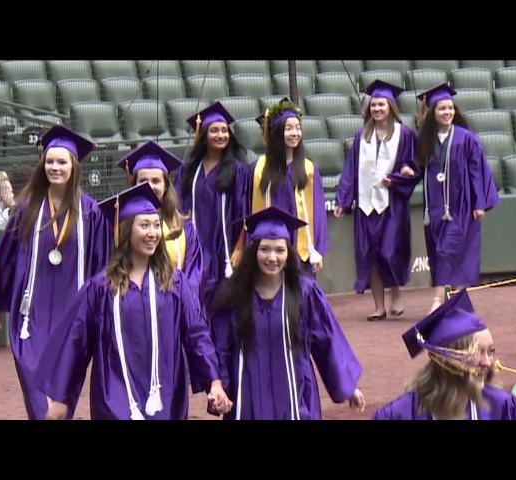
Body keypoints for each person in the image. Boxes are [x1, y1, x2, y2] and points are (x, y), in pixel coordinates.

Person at [36, 182, 233, 420]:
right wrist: (61, 399)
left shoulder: (173, 283)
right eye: (144, 225)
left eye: (156, 225)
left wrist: (214, 381)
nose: (152, 233)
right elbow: (75, 342)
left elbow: (196, 333)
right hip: (115, 399)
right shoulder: (100, 288)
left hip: (166, 397)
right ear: (126, 229)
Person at [0, 125, 111, 420]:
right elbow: (6, 257)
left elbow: (102, 264)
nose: (55, 167)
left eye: (62, 162)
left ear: (74, 167)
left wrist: (104, 309)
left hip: (72, 313)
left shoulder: (90, 212)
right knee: (33, 376)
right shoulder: (28, 207)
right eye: (50, 161)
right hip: (31, 315)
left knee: (65, 383)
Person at [211, 206, 365, 420]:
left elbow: (327, 340)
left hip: (295, 394)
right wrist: (219, 386)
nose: (272, 257)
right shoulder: (235, 295)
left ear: (288, 253)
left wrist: (348, 387)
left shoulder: (305, 292)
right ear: (253, 251)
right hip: (248, 398)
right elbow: (222, 348)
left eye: (279, 250)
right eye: (265, 249)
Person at [334, 80, 419, 321]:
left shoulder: (404, 134)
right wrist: (342, 200)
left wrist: (401, 175)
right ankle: (379, 306)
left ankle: (396, 296)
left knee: (389, 251)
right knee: (370, 254)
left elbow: (412, 164)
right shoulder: (361, 136)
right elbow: (350, 170)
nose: (377, 109)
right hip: (365, 205)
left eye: (381, 104)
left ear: (391, 106)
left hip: (392, 204)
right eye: (374, 105)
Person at [415, 83, 499, 313]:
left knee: (447, 250)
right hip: (434, 208)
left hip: (461, 206)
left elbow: (477, 171)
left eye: (450, 108)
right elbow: (415, 169)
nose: (447, 113)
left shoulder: (466, 138)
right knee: (443, 252)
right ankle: (459, 302)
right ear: (433, 113)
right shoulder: (425, 140)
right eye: (442, 109)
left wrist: (480, 203)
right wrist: (399, 176)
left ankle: (437, 300)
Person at [373, 289, 516, 420]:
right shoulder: (400, 415)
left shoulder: (503, 409)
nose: (487, 362)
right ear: (446, 359)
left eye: (490, 352)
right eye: (478, 352)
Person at [175, 101, 250, 317]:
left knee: (223, 310)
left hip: (223, 250)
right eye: (215, 130)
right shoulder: (189, 170)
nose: (221, 135)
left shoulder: (237, 171)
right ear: (204, 135)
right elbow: (179, 204)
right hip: (195, 247)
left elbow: (242, 211)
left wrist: (239, 247)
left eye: (225, 130)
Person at [249, 98, 327, 277]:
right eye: (289, 128)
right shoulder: (258, 169)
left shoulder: (308, 169)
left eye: (298, 128)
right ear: (276, 133)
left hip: (302, 251)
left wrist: (317, 249)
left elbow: (318, 213)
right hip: (270, 249)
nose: (295, 133)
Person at [117, 140, 203, 299]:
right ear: (134, 184)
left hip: (175, 305)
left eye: (156, 181)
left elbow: (193, 275)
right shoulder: (120, 226)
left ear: (166, 185)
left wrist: (180, 305)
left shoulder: (184, 228)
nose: (150, 186)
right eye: (143, 181)